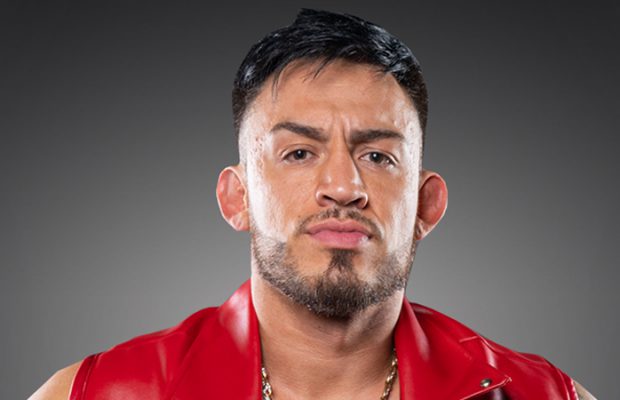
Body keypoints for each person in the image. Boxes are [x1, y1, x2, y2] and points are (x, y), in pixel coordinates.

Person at [31, 9, 596, 400]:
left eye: (377, 156)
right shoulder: (94, 393)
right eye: (299, 153)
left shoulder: (543, 395)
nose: (343, 186)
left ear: (426, 205)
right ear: (237, 197)